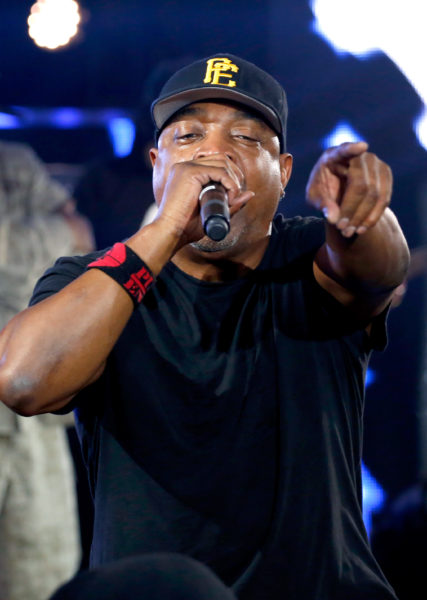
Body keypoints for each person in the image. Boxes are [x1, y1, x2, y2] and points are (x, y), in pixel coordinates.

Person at [0, 54, 409, 599]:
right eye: (188, 136)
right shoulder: (89, 281)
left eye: (245, 137)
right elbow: (24, 381)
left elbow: (379, 268)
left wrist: (363, 212)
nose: (214, 152)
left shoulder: (306, 255)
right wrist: (167, 228)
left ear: (284, 172)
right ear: (154, 164)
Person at [0, 141, 94, 600]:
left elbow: (81, 238)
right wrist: (54, 236)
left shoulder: (13, 159)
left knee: (43, 575)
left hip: (31, 419)